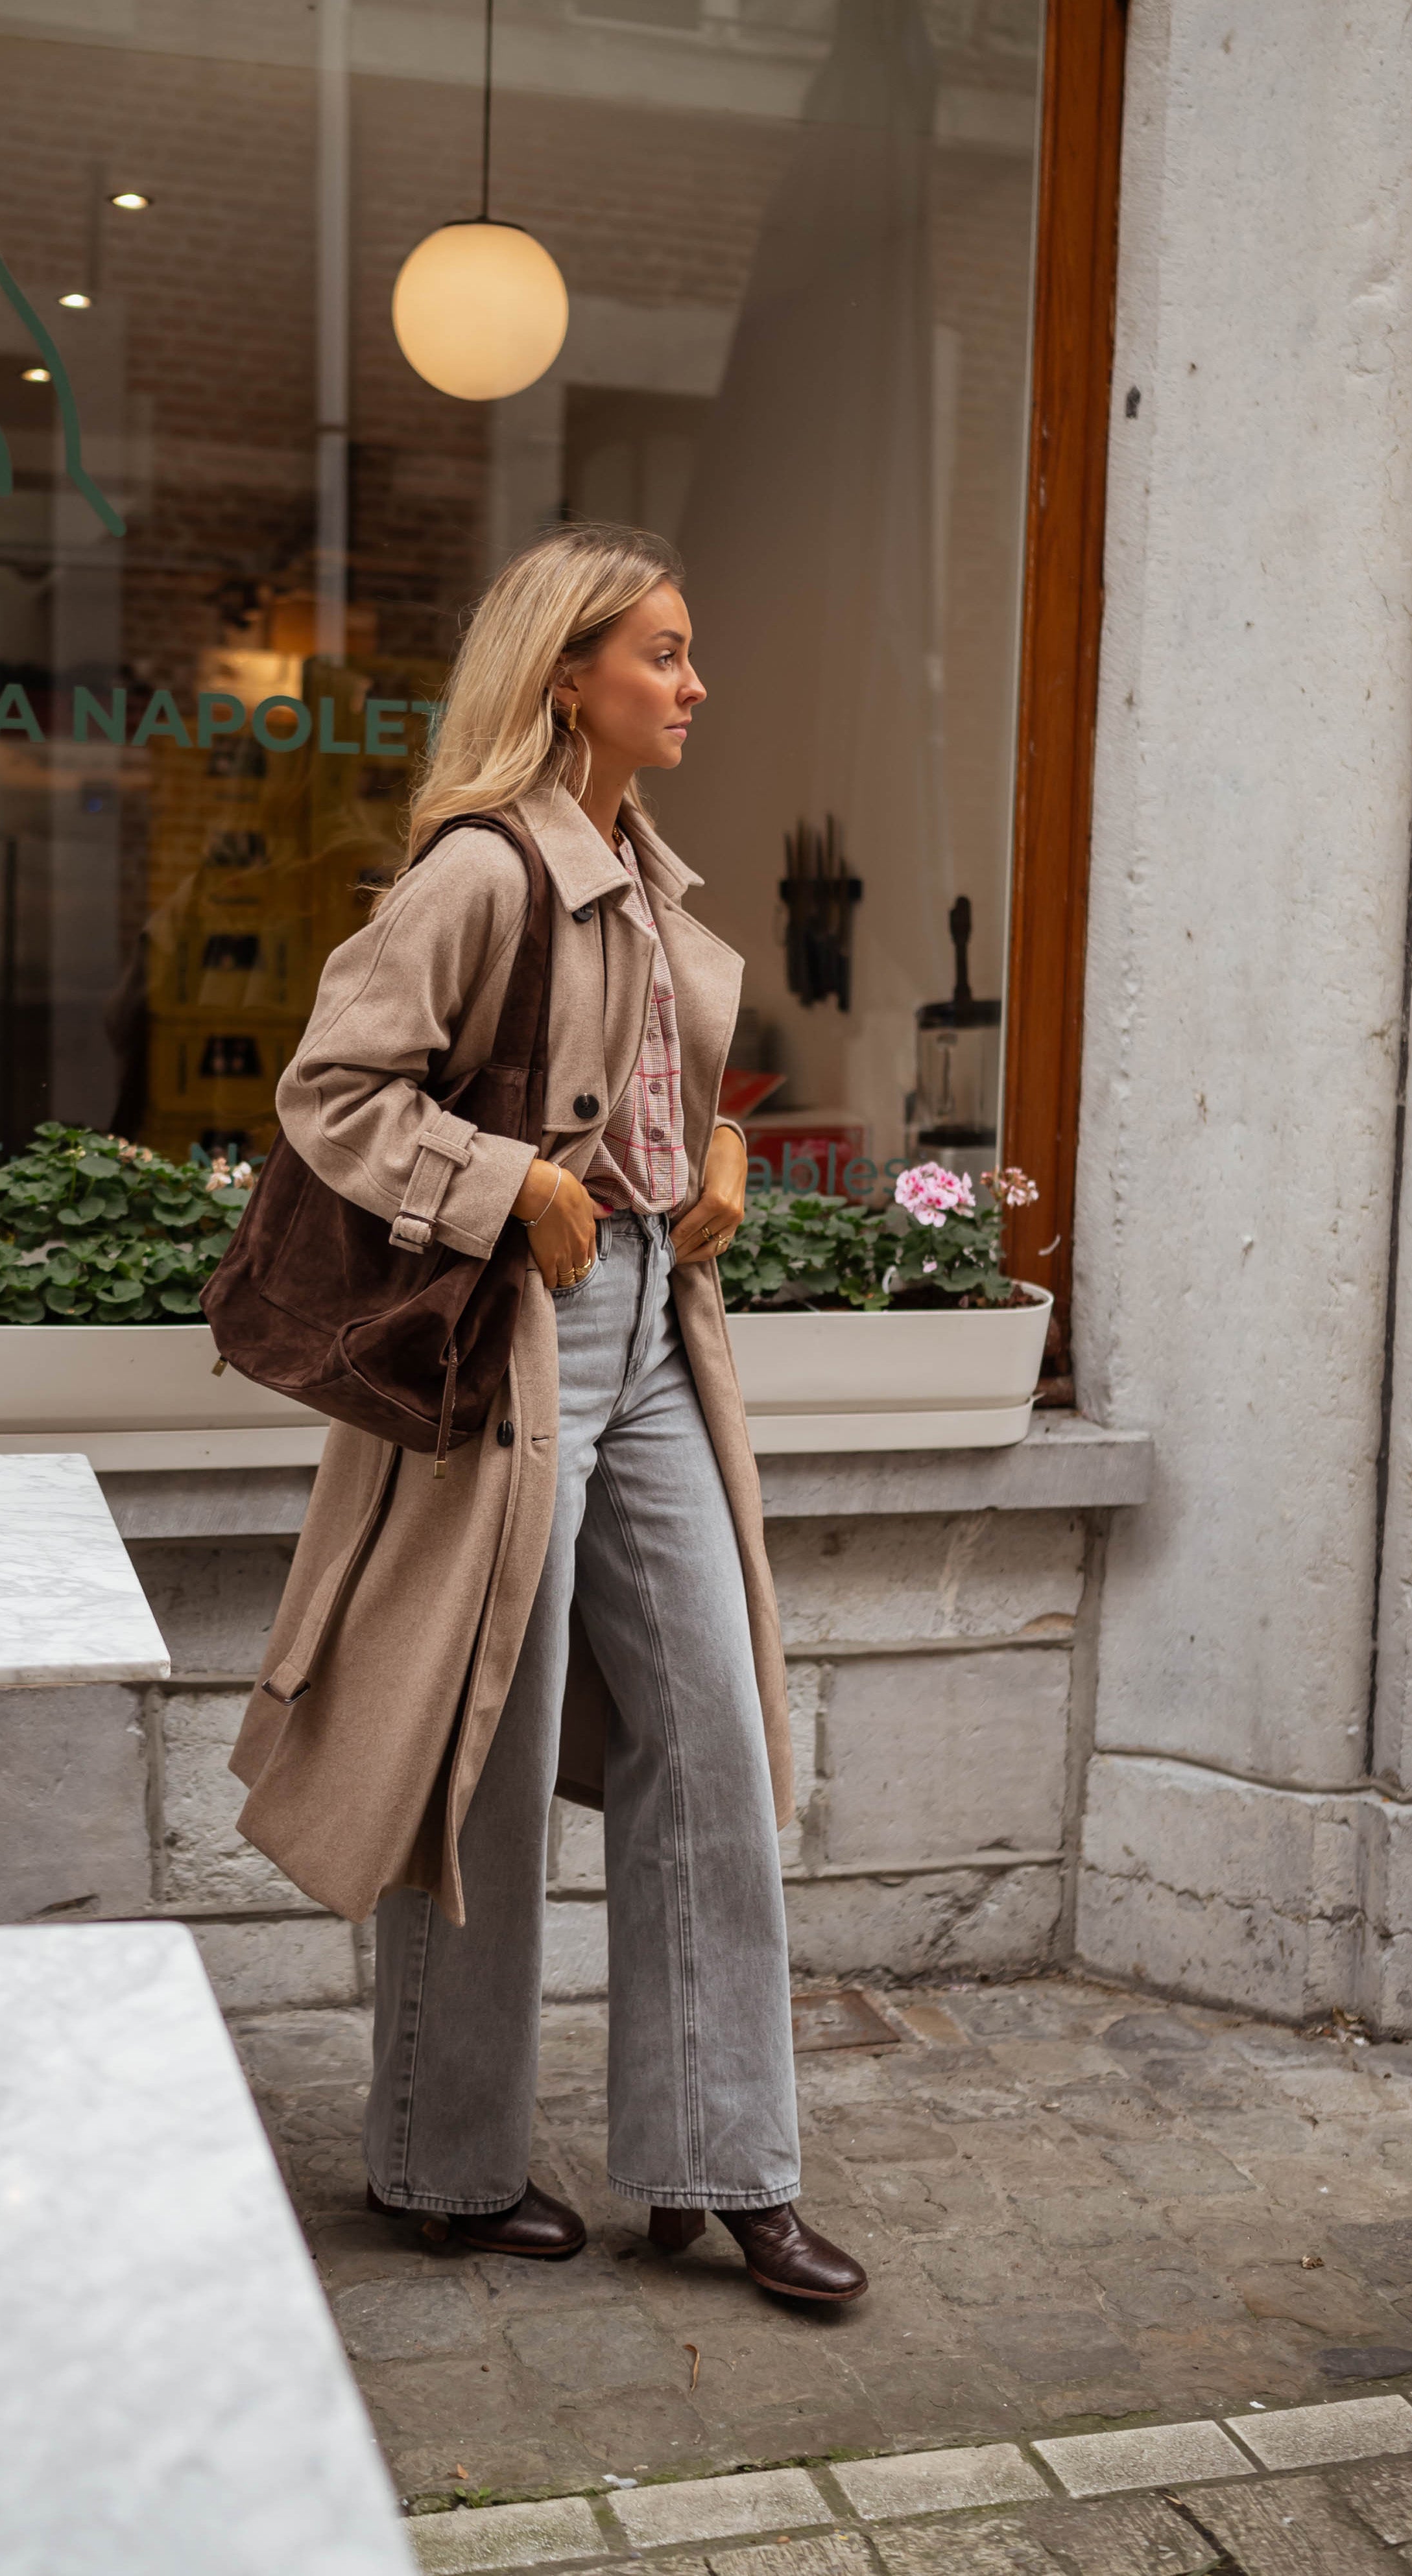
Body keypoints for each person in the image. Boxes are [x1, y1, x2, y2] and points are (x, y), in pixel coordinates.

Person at [228, 524, 867, 2306]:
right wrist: (503, 1182)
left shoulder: (655, 882)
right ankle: (442, 2163)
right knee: (482, 1751)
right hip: (518, 1348)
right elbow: (329, 1090)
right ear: (566, 672)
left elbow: (650, 1100)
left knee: (717, 1738)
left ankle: (721, 2166)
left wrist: (718, 1151)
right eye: (662, 652)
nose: (694, 683)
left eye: (688, 650)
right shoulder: (483, 876)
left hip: (658, 1330)